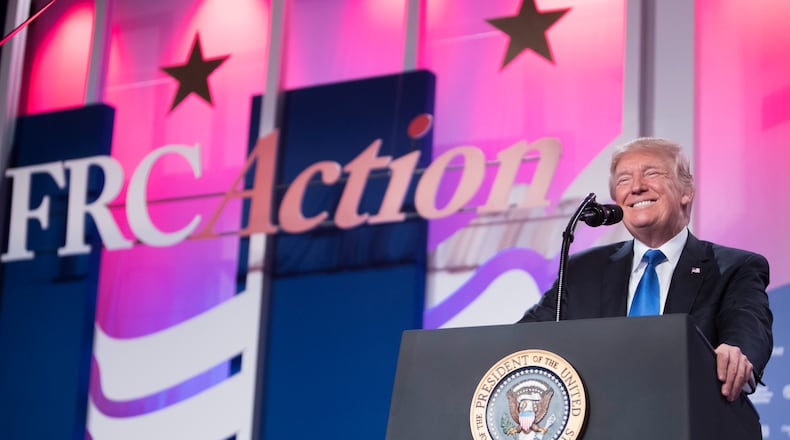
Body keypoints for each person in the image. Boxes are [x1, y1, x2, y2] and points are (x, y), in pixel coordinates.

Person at [519, 137, 773, 402]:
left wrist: (736, 351)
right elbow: (518, 339)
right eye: (623, 180)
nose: (636, 187)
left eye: (651, 173)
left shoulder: (734, 267)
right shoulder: (582, 270)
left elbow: (748, 325)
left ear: (686, 191)